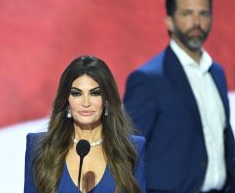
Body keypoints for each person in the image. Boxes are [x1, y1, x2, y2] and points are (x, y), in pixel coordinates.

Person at [123, 0, 235, 193]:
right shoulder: (148, 80)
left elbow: (223, 141)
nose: (197, 22)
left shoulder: (217, 73)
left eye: (203, 13)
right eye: (187, 13)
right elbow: (126, 153)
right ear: (169, 20)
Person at [24, 55, 146, 193]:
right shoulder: (39, 147)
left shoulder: (131, 149)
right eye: (77, 94)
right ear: (67, 100)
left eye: (95, 93)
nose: (86, 103)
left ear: (106, 101)